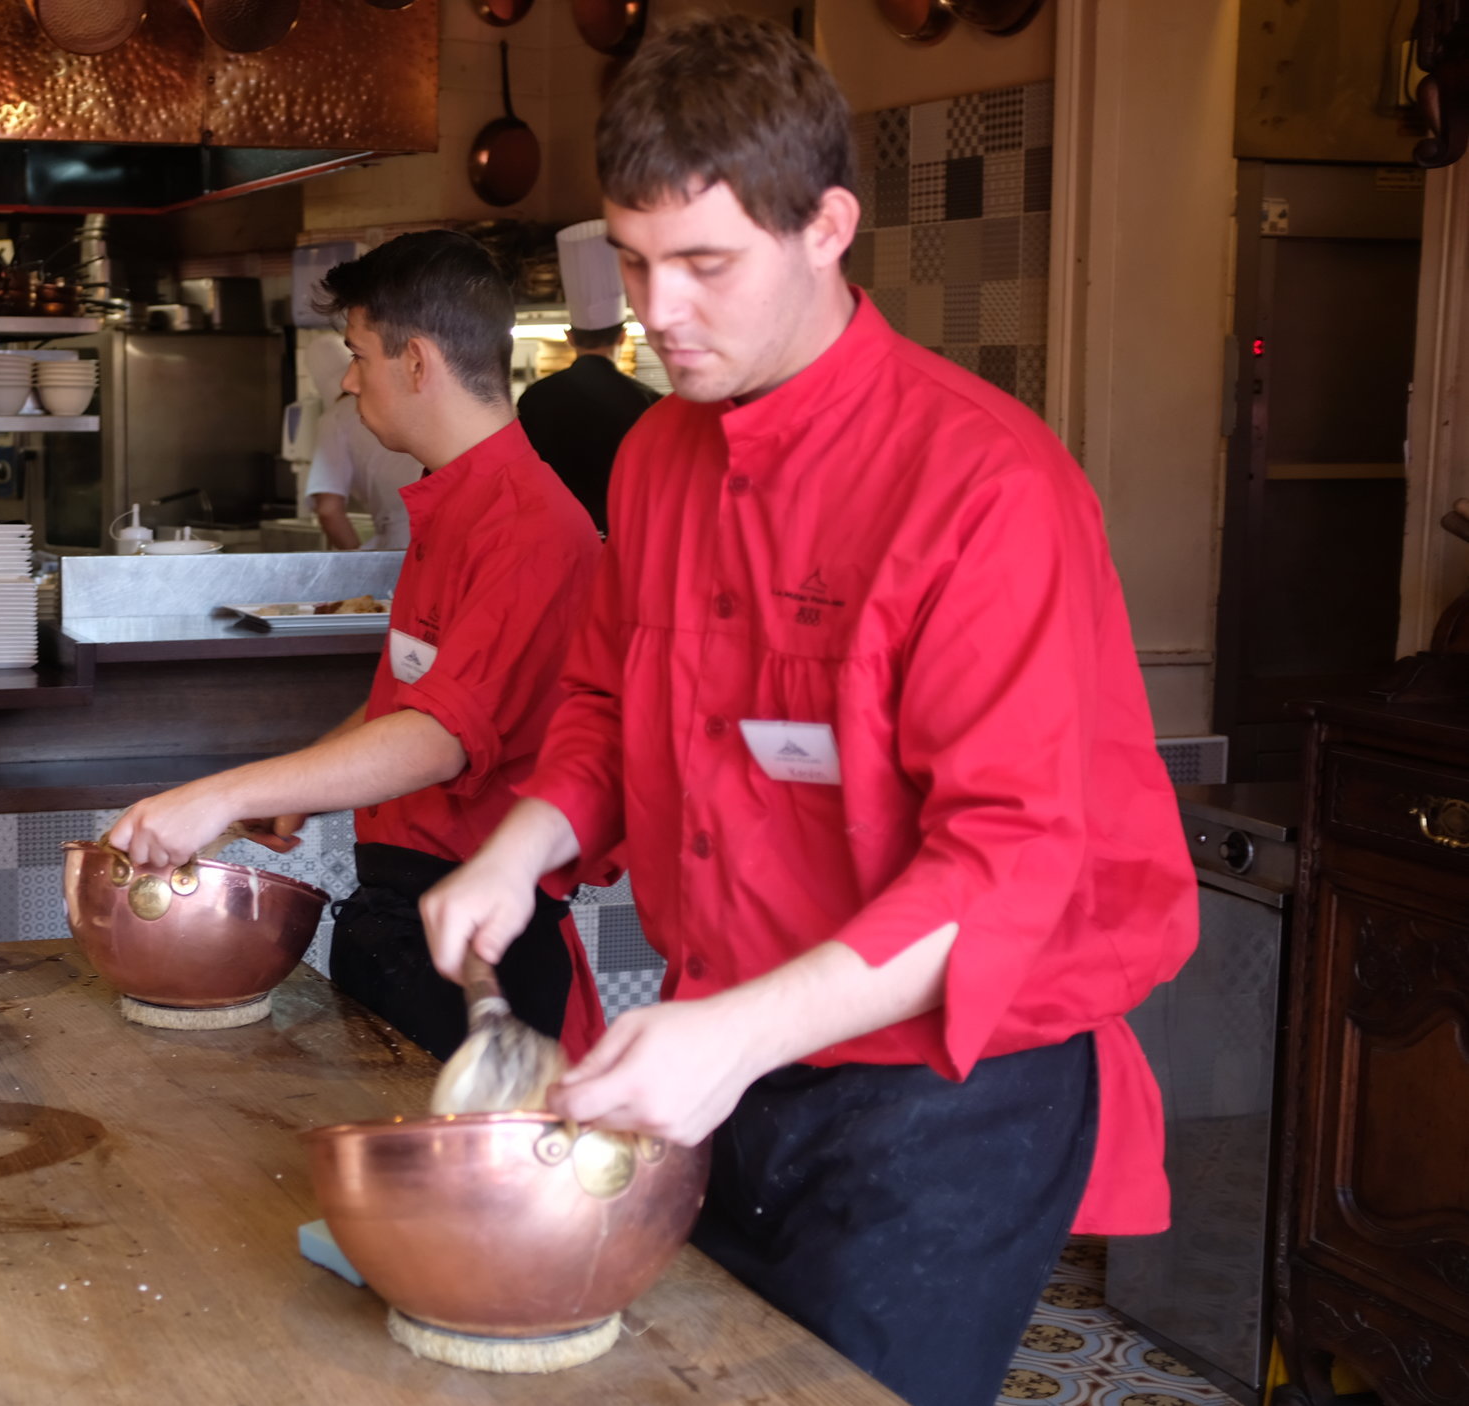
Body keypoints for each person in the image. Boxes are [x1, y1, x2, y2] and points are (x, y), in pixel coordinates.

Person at [419, 20, 1196, 1406]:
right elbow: (603, 701)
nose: (660, 309)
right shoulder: (659, 457)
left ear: (828, 227)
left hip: (948, 1097)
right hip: (744, 1055)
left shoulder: (983, 489)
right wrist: (521, 843)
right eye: (635, 259)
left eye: (706, 264)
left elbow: (1011, 864)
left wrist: (734, 1034)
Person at [108, 231, 607, 1062]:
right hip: (404, 924)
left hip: (480, 956)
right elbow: (409, 699)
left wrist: (222, 796)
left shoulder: (528, 529)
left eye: (358, 354)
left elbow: (440, 737)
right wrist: (301, 783)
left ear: (417, 362)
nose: (347, 379)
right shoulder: (454, 507)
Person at [513, 221, 659, 534]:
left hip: (554, 540)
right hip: (623, 541)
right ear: (623, 337)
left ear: (569, 337)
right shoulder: (648, 403)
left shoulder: (535, 399)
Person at [301, 332, 423, 551]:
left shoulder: (335, 418)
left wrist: (355, 564)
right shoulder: (401, 399)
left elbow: (329, 509)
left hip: (401, 539)